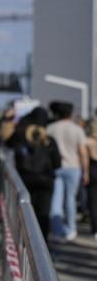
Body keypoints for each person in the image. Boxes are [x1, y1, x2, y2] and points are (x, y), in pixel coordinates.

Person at [8, 107, 61, 238]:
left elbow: (7, 143)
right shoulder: (49, 140)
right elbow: (57, 164)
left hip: (25, 181)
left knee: (26, 215)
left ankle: (25, 247)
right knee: (43, 215)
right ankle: (43, 248)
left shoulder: (20, 136)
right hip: (45, 181)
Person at [47, 101, 90, 241]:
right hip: (73, 167)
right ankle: (71, 229)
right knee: (70, 199)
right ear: (70, 114)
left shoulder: (50, 128)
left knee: (56, 200)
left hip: (55, 167)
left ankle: (57, 230)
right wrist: (86, 171)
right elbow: (83, 152)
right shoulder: (77, 129)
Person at [85, 120, 97, 241]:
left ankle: (95, 228)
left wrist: (85, 173)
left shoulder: (88, 142)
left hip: (93, 171)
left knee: (93, 202)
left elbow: (85, 159)